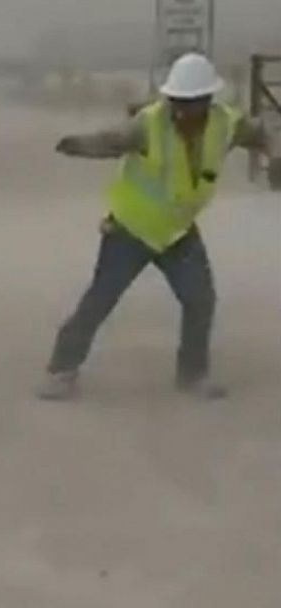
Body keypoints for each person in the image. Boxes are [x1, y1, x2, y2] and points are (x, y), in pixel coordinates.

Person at [38, 52, 276, 401]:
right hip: (130, 230)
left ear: (208, 101)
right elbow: (112, 141)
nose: (182, 111)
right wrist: (78, 145)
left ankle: (192, 375)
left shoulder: (226, 123)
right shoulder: (148, 124)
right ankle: (61, 371)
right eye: (178, 102)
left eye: (191, 103)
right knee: (100, 299)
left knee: (200, 300)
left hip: (177, 232)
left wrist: (276, 155)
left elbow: (261, 133)